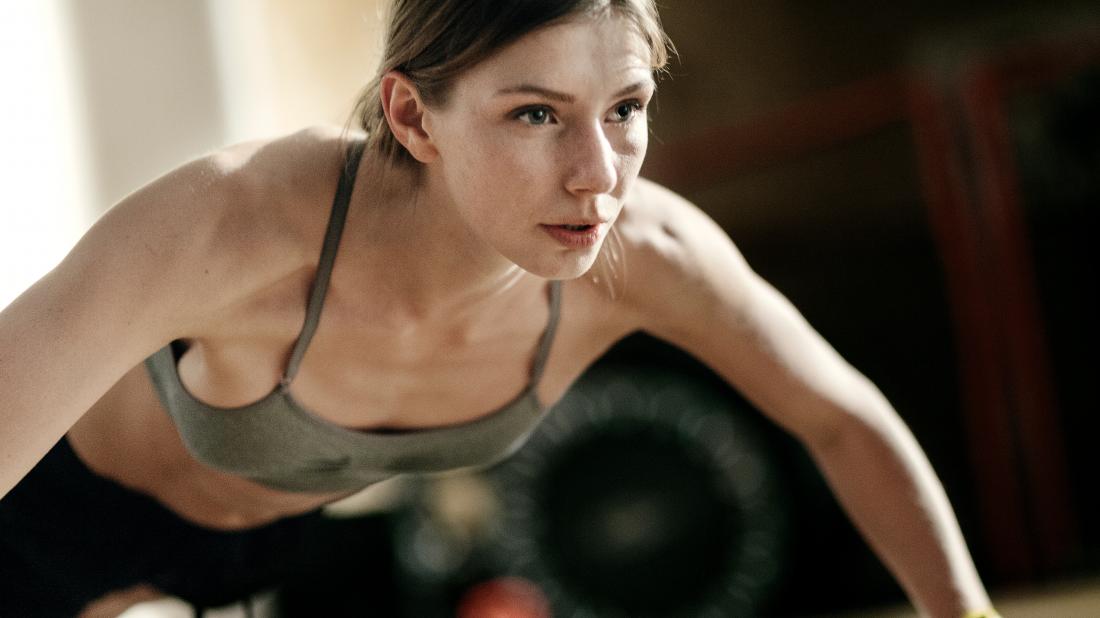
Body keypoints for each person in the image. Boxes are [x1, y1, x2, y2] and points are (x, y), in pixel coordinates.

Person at [0, 0, 999, 616]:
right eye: (535, 114)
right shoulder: (233, 225)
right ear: (410, 115)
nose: (596, 177)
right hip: (44, 527)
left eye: (626, 108)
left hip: (267, 548)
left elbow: (839, 416)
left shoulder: (647, 254)